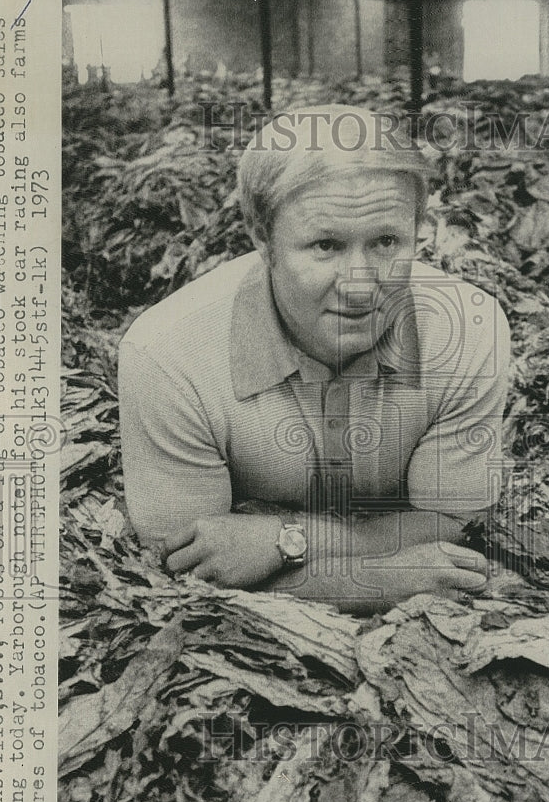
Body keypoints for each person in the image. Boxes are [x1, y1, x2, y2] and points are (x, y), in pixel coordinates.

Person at [118, 105, 510, 612]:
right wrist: (377, 580)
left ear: (420, 230)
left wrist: (283, 541)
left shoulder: (471, 329)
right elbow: (183, 575)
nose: (361, 284)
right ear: (262, 238)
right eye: (325, 245)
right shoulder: (167, 356)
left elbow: (456, 522)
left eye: (387, 241)